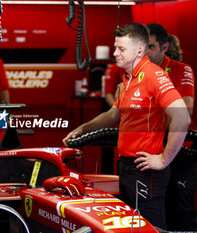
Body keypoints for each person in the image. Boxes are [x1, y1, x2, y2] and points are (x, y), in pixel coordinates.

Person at [63, 22, 190, 229]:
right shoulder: (128, 78)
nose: (115, 53)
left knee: (149, 228)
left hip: (146, 170)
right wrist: (83, 129)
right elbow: (114, 113)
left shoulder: (153, 75)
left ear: (139, 50)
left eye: (121, 49)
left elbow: (182, 117)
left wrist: (164, 159)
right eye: (115, 47)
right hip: (126, 166)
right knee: (129, 227)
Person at [146, 23, 197, 231]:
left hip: (181, 148)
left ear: (164, 47)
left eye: (150, 46)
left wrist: (148, 123)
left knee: (180, 209)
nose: (144, 52)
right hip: (150, 149)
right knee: (153, 210)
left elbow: (186, 110)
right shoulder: (137, 72)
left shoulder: (180, 69)